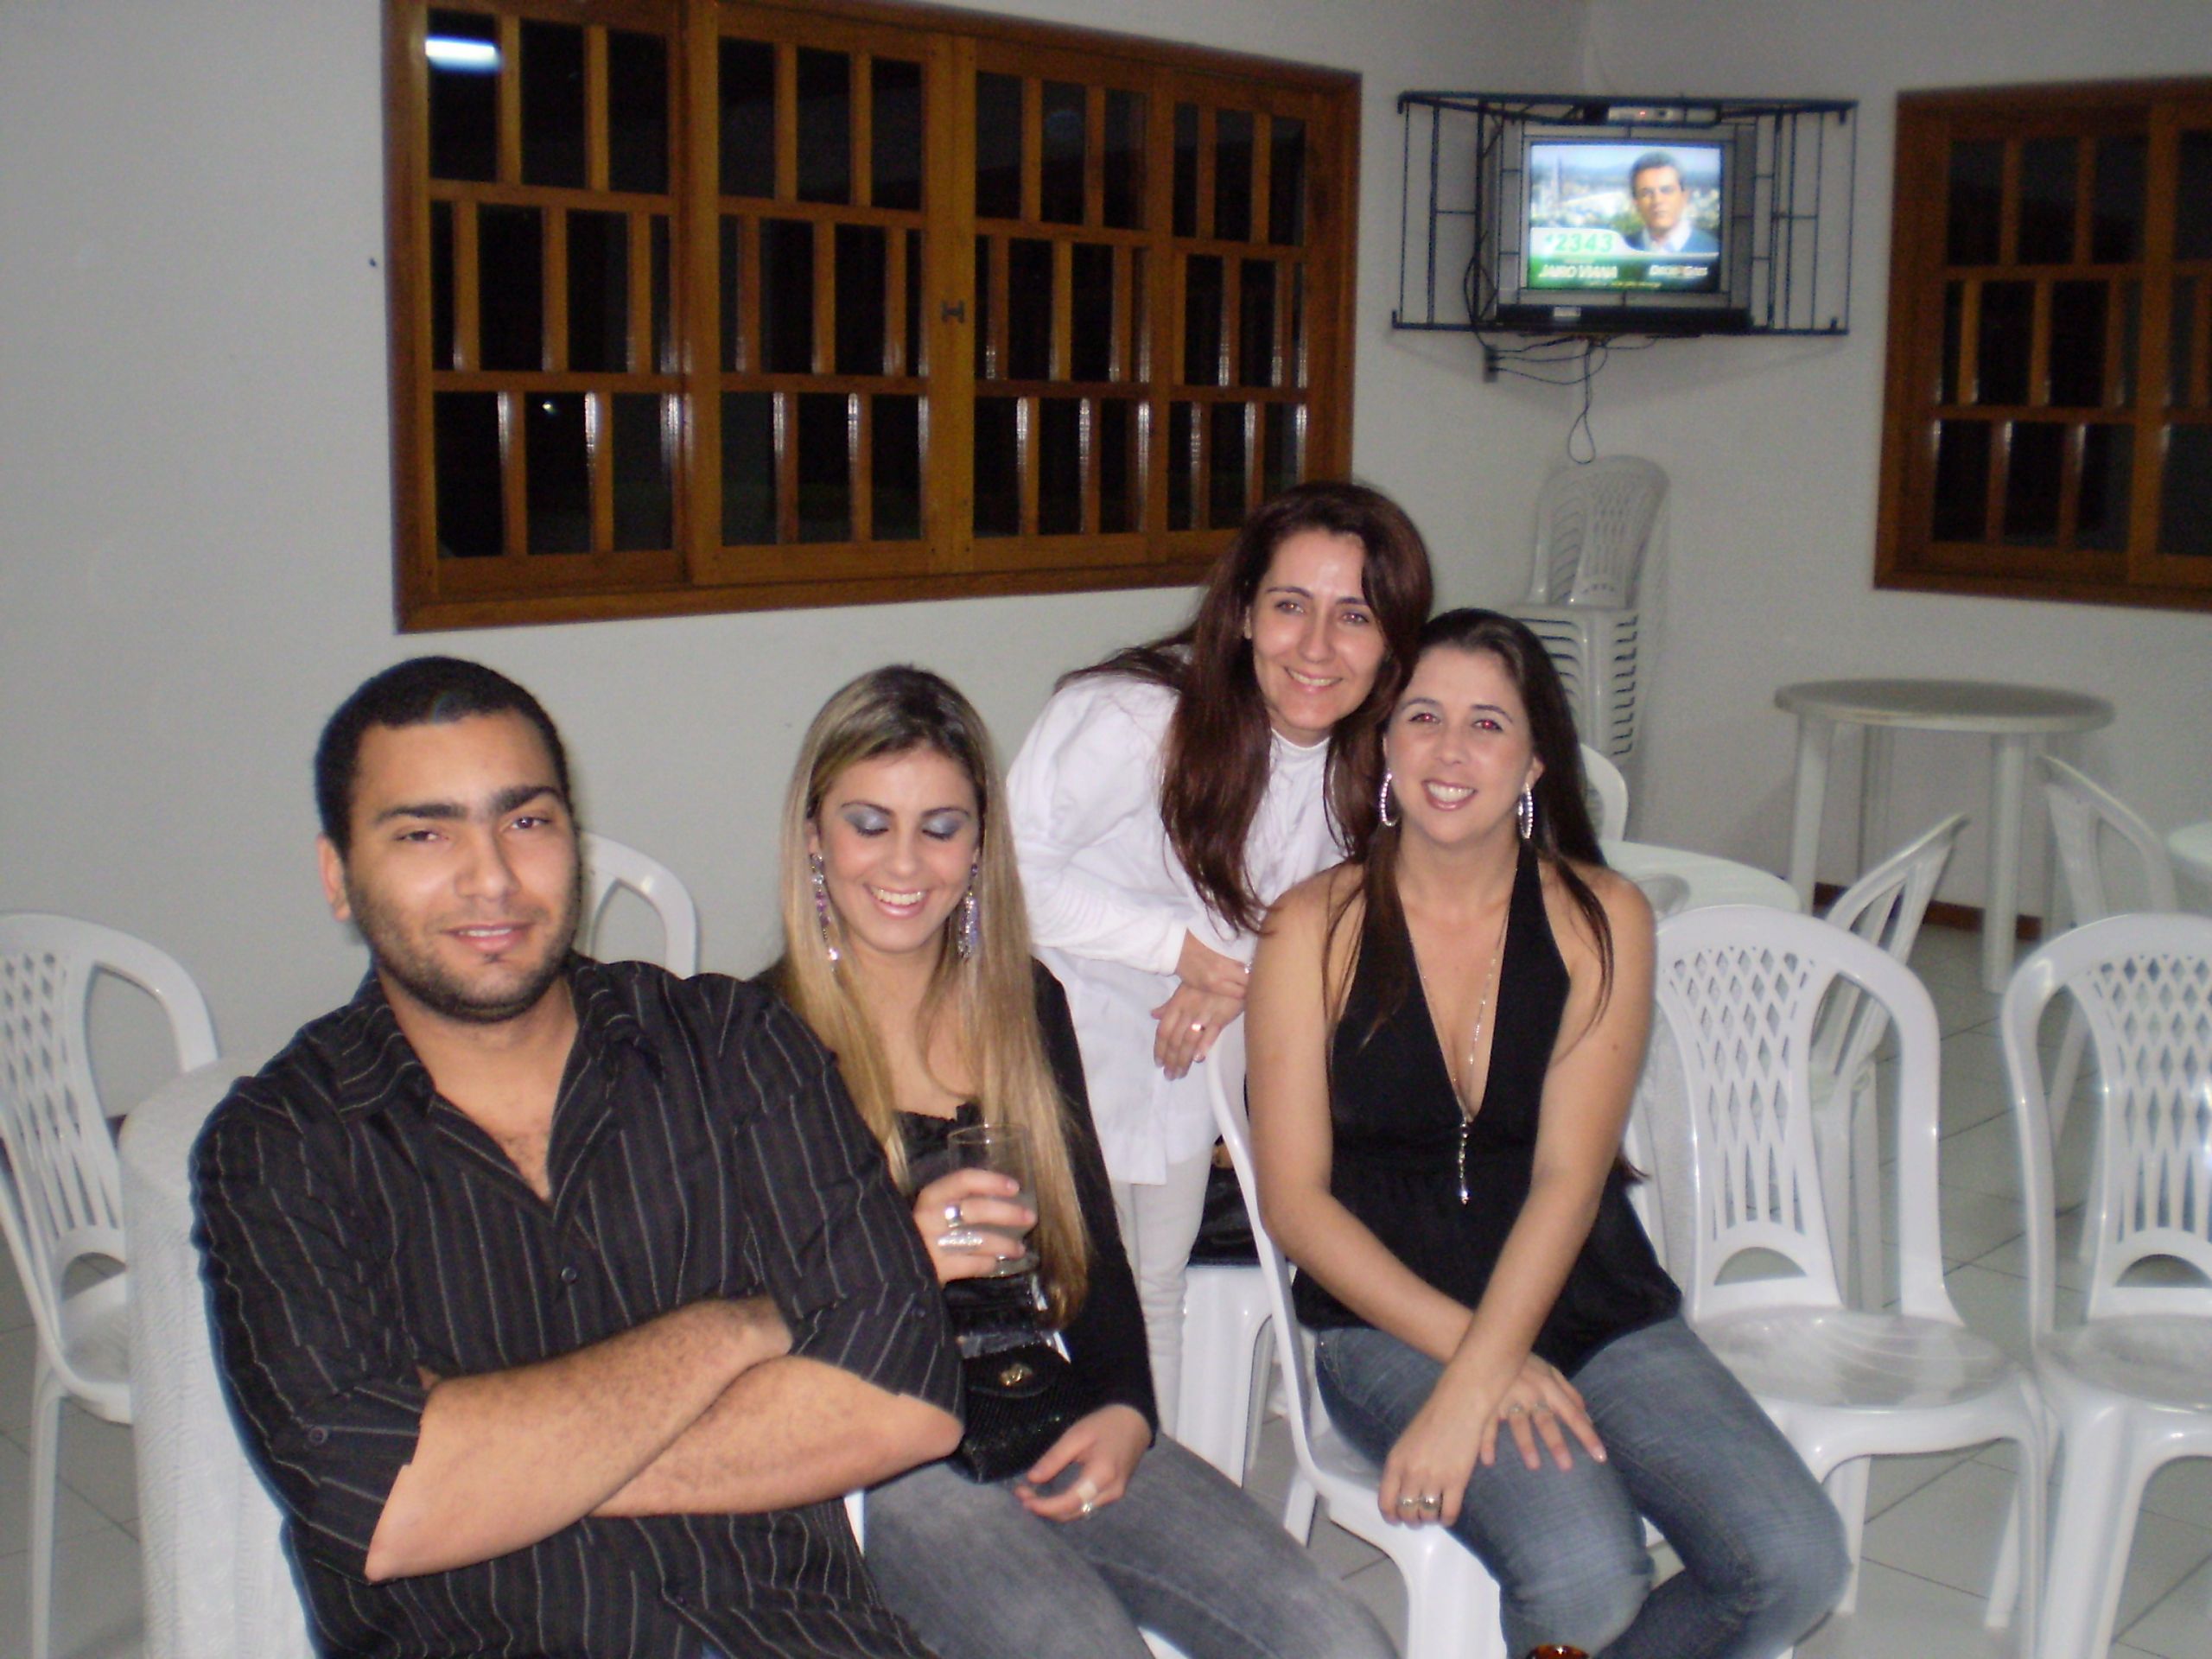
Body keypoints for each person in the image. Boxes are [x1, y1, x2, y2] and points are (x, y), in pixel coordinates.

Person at [194, 656, 963, 1659]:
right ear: (339, 876)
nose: (492, 877)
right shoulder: (282, 1146)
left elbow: (904, 1404)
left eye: (527, 821)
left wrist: (488, 1466)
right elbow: (381, 1505)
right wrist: (740, 1327)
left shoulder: (732, 1045)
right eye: (425, 833)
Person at [1247, 611, 1849, 1659]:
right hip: (1390, 1322)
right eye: (1422, 717)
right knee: (1583, 1577)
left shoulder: (1600, 916)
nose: (1449, 751)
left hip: (1588, 1297)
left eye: (1487, 724)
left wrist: (1487, 1373)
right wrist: (1475, 1364)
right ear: (1383, 743)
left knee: (1794, 1561)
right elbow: (1294, 1200)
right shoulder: (1313, 927)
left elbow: (1571, 1177)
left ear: (1533, 763)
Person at [768, 664, 1395, 1659]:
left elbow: (1089, 1249)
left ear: (981, 843)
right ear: (814, 836)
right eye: (868, 824)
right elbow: (750, 1321)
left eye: (941, 827)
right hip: (877, 1450)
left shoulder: (1023, 1001)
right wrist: (899, 1257)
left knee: (1338, 1638)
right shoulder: (755, 1037)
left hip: (1036, 1396)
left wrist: (1126, 1408)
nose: (906, 862)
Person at [1006, 480, 1433, 1427]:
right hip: (1048, 1036)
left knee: (1152, 1287)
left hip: (1182, 1048)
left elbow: (1328, 914)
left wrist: (1228, 978)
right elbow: (1004, 877)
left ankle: (1152, 1488)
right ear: (1242, 613)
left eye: (1354, 616)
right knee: (1057, 1304)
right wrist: (1182, 950)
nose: (1316, 647)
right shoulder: (1133, 720)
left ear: (1391, 643)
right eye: (1290, 605)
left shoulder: (1363, 763)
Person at [1624, 151, 1719, 254]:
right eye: (1646, 193)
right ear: (1635, 202)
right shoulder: (1620, 250)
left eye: (1667, 190)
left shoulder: (1713, 250)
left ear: (1684, 196)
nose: (1657, 200)